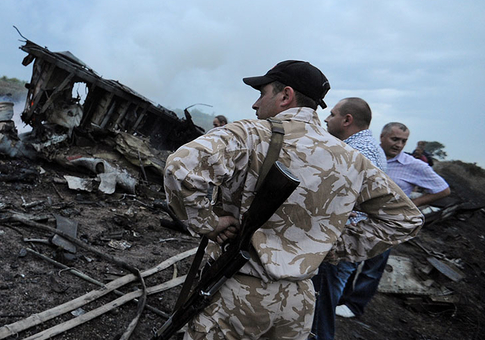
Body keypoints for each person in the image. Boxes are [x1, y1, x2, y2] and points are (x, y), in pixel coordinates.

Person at [164, 60, 423, 340]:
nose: (255, 104)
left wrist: (208, 222)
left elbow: (181, 168)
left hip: (236, 292)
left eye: (261, 93)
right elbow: (405, 218)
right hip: (299, 303)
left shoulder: (252, 134)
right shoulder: (352, 160)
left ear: (285, 96)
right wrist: (334, 246)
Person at [336, 122, 450, 319]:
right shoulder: (369, 155)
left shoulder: (413, 165)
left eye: (403, 141)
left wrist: (412, 205)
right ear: (382, 137)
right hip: (358, 221)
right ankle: (340, 300)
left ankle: (355, 306)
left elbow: (443, 190)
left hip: (385, 226)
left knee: (373, 268)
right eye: (395, 139)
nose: (399, 144)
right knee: (349, 260)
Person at [310, 97, 387, 340]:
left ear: (347, 120)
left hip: (338, 243)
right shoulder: (368, 148)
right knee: (319, 307)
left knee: (318, 311)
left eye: (331, 114)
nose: (326, 118)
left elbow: (338, 201)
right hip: (347, 240)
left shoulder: (357, 152)